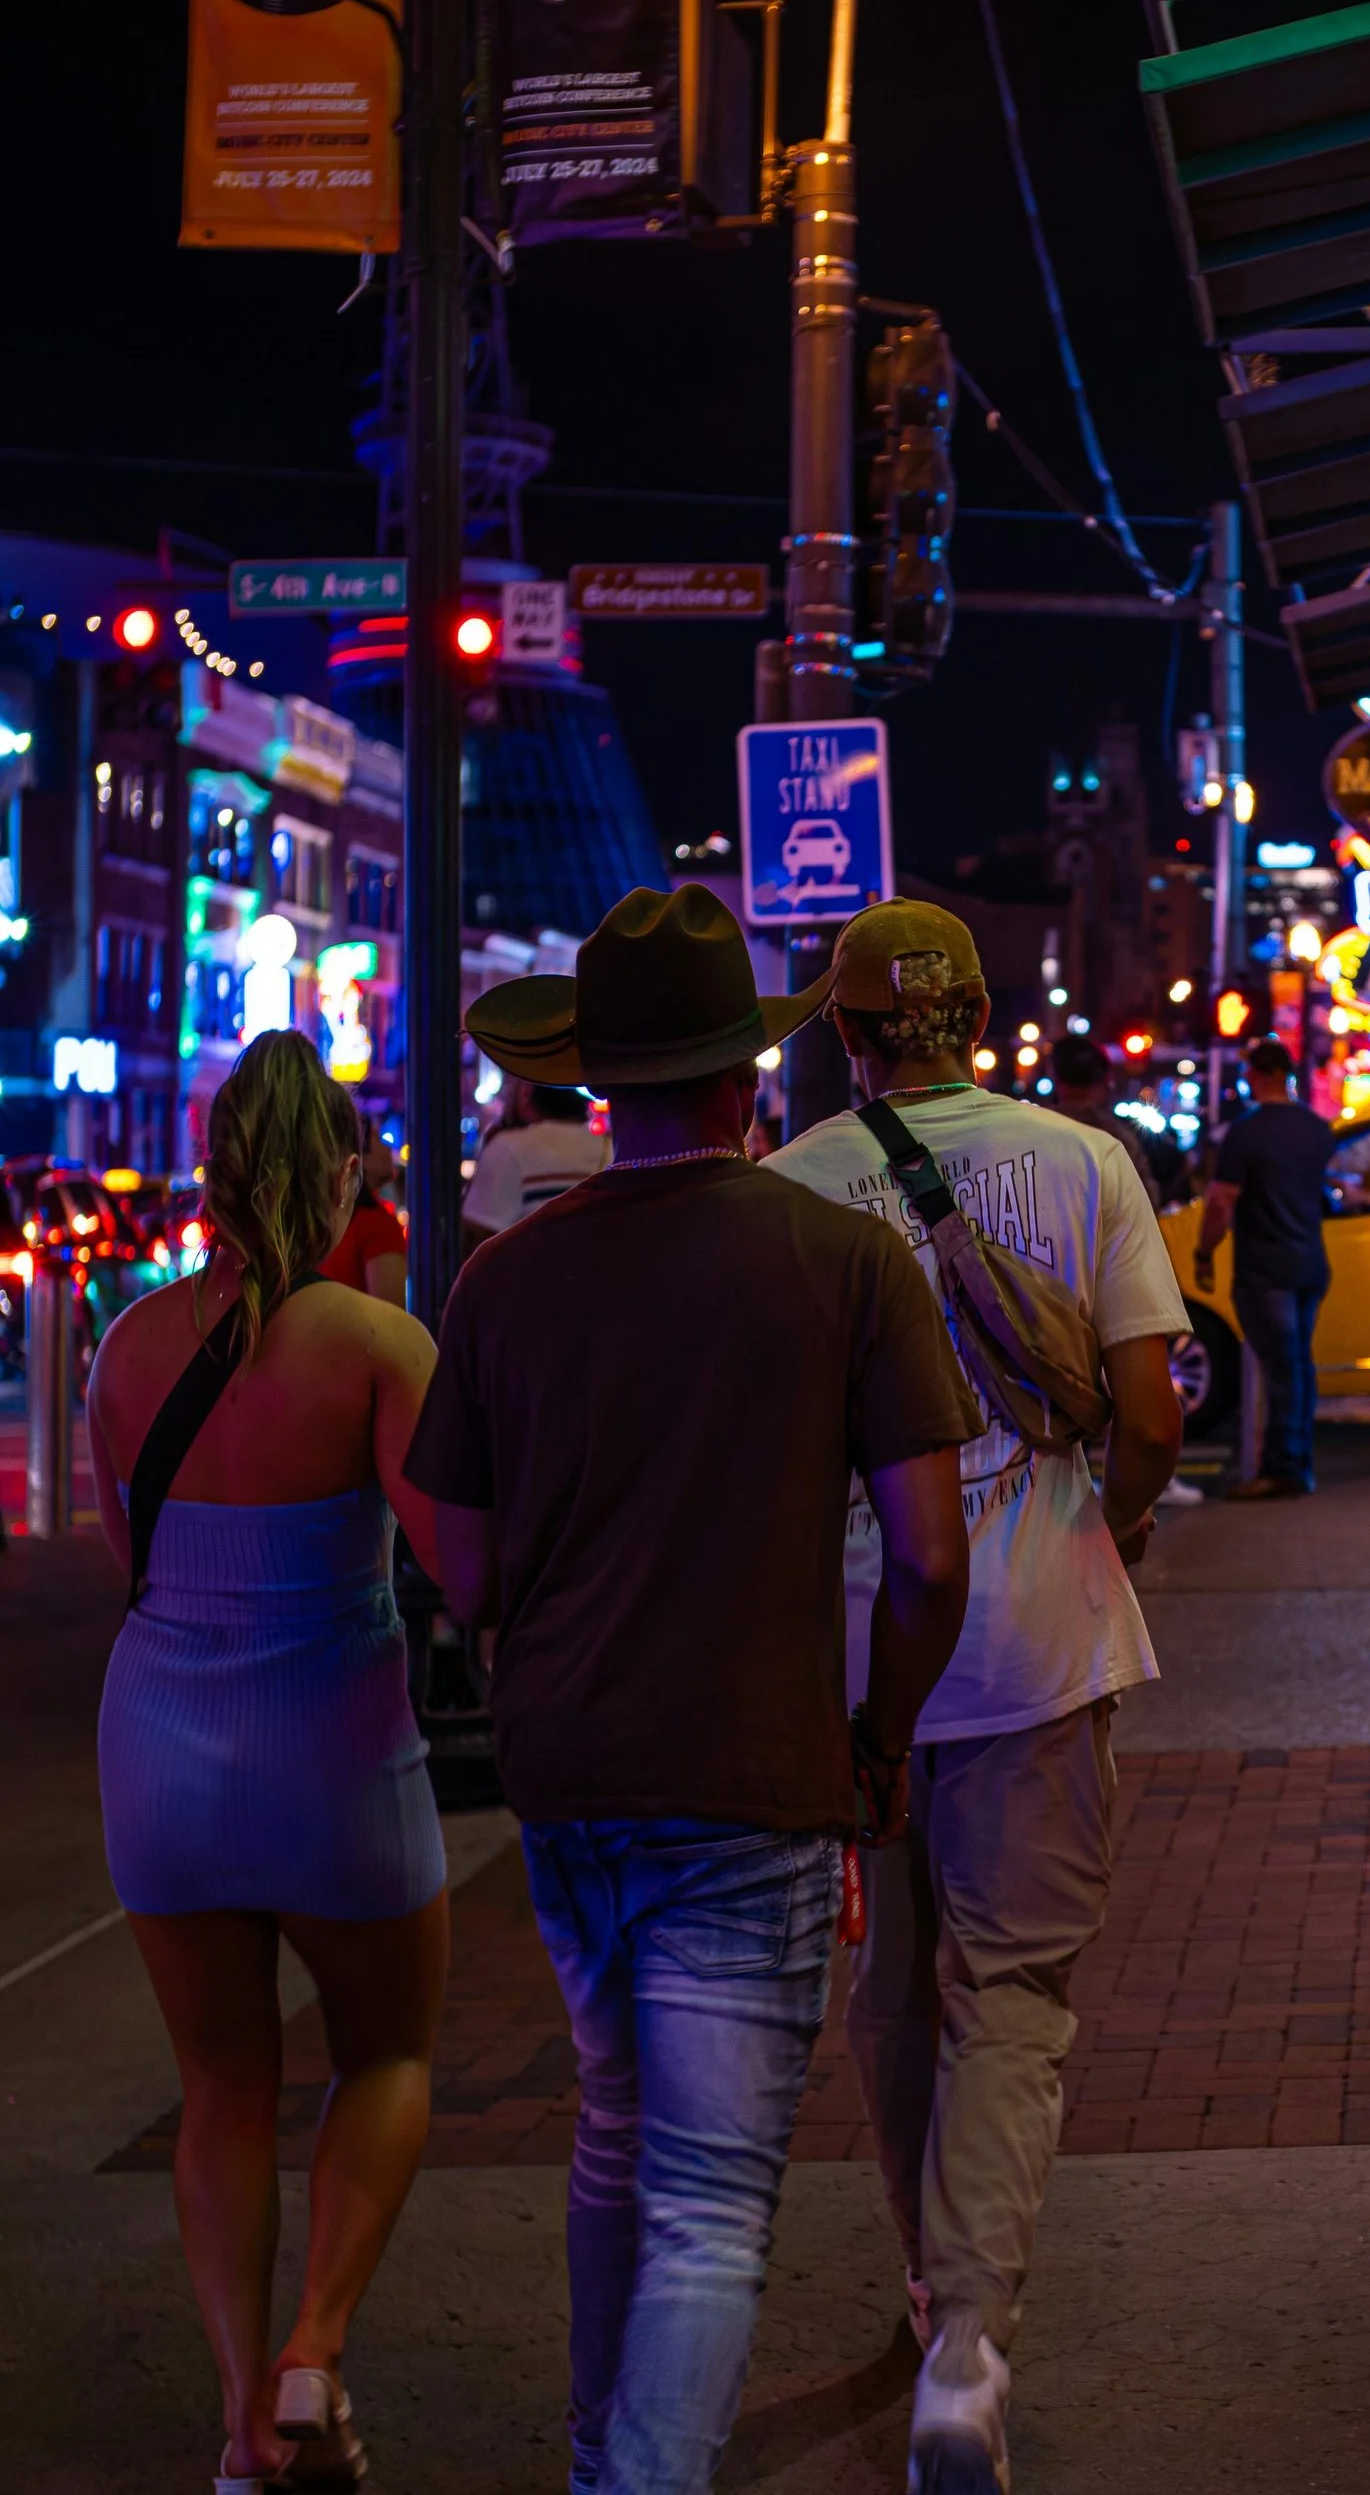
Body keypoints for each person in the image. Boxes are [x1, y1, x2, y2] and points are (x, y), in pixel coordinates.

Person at [403, 886, 978, 2495]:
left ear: (603, 1085)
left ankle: (606, 2443)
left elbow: (463, 1566)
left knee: (613, 2126)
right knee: (715, 2200)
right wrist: (881, 1744)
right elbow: (930, 1556)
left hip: (571, 1776)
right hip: (758, 1773)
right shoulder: (844, 1261)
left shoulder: (504, 1282)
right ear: (747, 1081)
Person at [770, 899, 1185, 2495]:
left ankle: (923, 2276)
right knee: (1011, 1999)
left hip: (863, 1657)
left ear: (848, 1033)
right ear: (980, 1020)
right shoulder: (1083, 1164)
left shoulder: (794, 1186)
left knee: (892, 1993)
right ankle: (967, 2350)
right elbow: (1147, 1409)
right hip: (1040, 1645)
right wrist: (1117, 1515)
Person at [87, 1029, 446, 2495]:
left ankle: (241, 2427)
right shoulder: (376, 1346)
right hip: (334, 1737)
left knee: (222, 2084)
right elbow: (457, 1556)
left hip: (162, 1744)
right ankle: (316, 2348)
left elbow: (132, 1557)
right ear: (346, 1169)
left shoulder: (124, 1344)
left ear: (216, 1166)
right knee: (390, 2050)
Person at [1194, 1035, 1335, 1500]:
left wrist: (1204, 1251)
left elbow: (1221, 1201)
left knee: (1280, 1368)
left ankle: (1281, 1468)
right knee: (1298, 1366)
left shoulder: (1246, 1132)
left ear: (1257, 1075)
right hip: (1310, 1262)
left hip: (1265, 1265)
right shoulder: (1316, 1128)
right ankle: (1297, 1459)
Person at [460, 1076, 609, 1249]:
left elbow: (475, 1239)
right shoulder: (608, 1146)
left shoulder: (508, 1148)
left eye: (509, 1086)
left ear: (526, 1092)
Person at [1042, 1032, 1155, 1192]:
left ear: (1057, 1079)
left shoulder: (1035, 1134)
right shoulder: (1119, 1140)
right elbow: (1145, 1204)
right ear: (1106, 1081)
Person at [321, 1115, 407, 1302]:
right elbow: (389, 1314)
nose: (388, 1148)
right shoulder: (378, 1225)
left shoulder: (325, 1218)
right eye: (379, 1139)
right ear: (360, 1157)